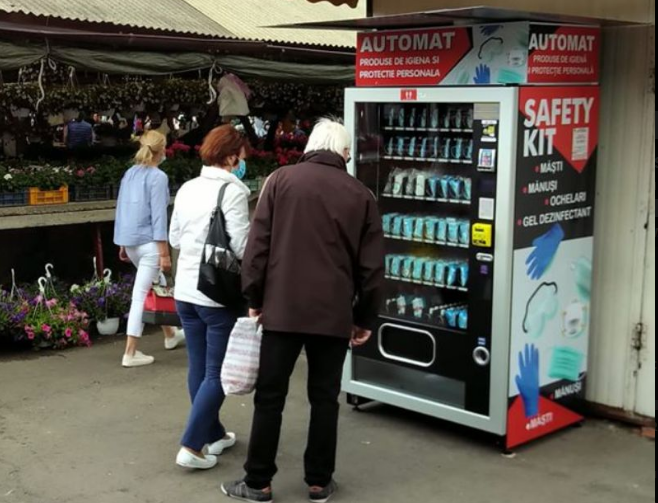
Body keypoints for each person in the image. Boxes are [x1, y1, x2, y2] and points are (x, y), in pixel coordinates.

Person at [222, 119, 385, 503]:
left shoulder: (279, 181)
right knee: (324, 398)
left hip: (282, 310)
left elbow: (257, 248)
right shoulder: (361, 195)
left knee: (270, 396)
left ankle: (258, 482)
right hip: (333, 314)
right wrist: (364, 318)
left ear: (310, 145)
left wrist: (254, 297)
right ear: (344, 152)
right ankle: (319, 481)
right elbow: (372, 268)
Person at [169, 125, 251, 470]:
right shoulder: (232, 192)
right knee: (216, 372)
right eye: (242, 157)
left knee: (199, 367)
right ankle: (191, 446)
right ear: (231, 158)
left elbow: (175, 238)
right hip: (217, 294)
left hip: (185, 291)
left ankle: (213, 433)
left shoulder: (188, 187)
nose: (243, 163)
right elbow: (242, 247)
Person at [114, 130, 185, 368]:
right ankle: (130, 352)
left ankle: (170, 334)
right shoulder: (158, 177)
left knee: (156, 283)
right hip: (150, 244)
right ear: (161, 150)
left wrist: (122, 243)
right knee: (141, 295)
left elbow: (122, 209)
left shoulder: (130, 173)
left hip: (131, 241)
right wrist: (164, 253)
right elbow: (159, 217)